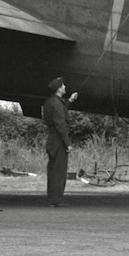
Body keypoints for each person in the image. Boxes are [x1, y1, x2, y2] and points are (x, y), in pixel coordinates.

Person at [42, 77, 71, 205]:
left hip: (51, 139)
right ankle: (57, 200)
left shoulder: (49, 102)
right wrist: (67, 143)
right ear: (59, 88)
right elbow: (61, 124)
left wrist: (70, 101)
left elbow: (59, 112)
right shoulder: (57, 104)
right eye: (63, 85)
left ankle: (52, 198)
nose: (65, 87)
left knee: (53, 170)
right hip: (58, 141)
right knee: (60, 171)